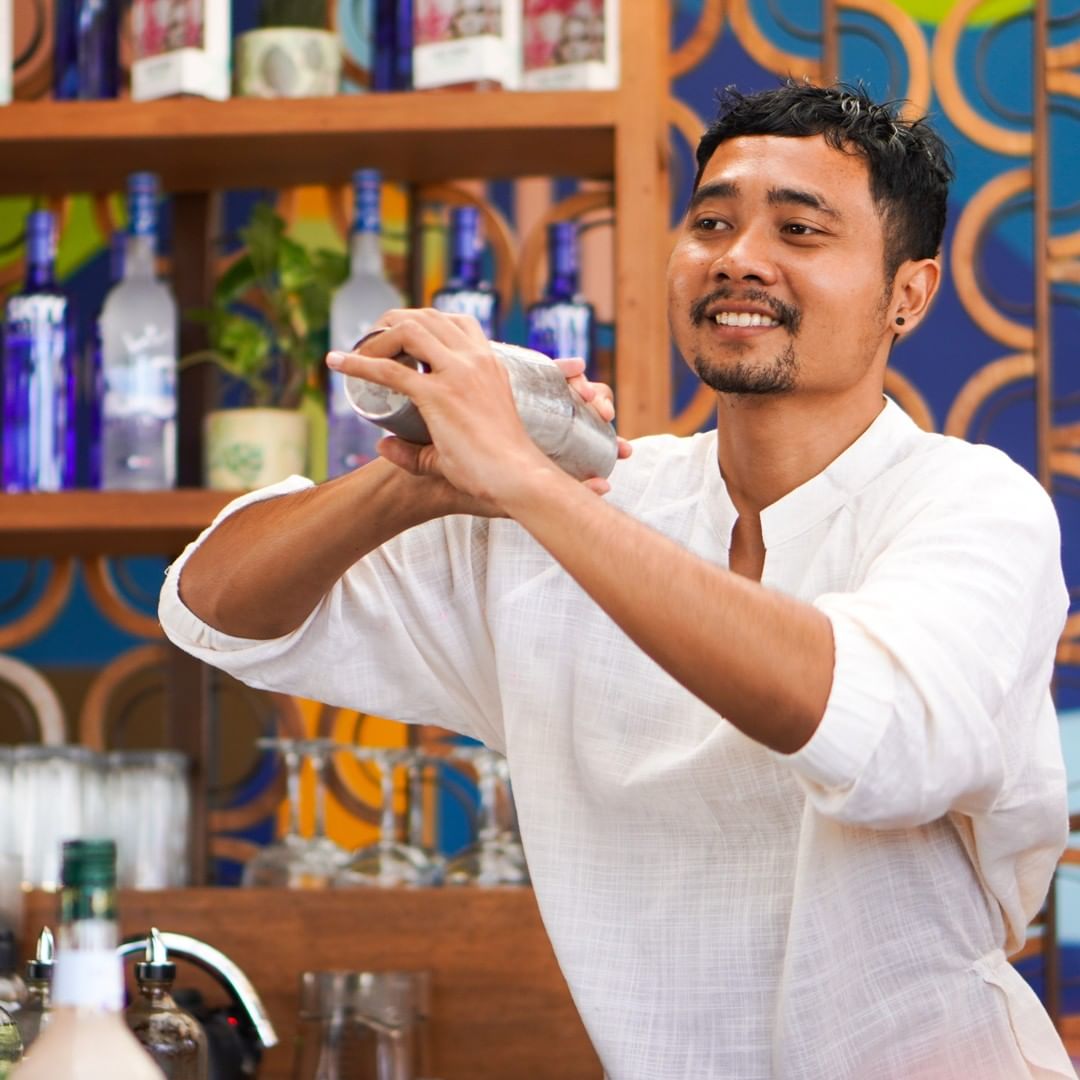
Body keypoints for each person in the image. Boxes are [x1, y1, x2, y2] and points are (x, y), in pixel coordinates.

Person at [159, 82, 1076, 1079]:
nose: (738, 257)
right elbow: (214, 611)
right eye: (711, 223)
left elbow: (877, 735)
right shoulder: (593, 498)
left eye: (800, 230)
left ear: (910, 293)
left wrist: (525, 479)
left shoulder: (972, 505)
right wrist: (417, 482)